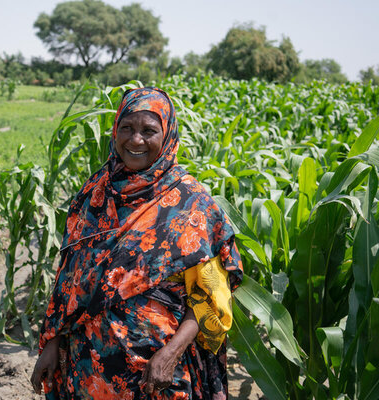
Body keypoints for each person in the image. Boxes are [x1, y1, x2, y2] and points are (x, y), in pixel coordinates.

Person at [31, 87, 243, 399]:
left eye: (149, 130)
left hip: (156, 372)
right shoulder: (94, 195)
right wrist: (52, 342)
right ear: (115, 129)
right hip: (87, 368)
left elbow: (211, 298)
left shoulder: (191, 204)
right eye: (127, 128)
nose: (136, 140)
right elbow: (69, 280)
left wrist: (170, 355)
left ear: (167, 135)